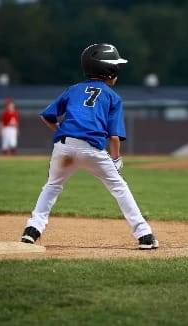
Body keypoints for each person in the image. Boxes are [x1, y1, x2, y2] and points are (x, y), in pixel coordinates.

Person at [20, 43, 159, 250]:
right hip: (92, 149)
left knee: (52, 187)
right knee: (119, 187)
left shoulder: (74, 89)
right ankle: (144, 235)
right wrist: (116, 160)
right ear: (109, 70)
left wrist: (60, 129)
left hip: (63, 146)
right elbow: (113, 137)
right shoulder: (113, 97)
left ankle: (32, 230)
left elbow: (46, 115)